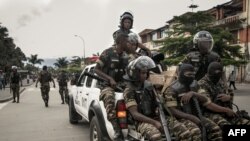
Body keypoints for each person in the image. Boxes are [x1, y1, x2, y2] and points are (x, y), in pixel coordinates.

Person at [162, 63, 223, 141]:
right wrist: (191, 117)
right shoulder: (172, 89)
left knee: (215, 129)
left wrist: (194, 93)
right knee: (195, 132)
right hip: (178, 118)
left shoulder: (195, 84)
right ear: (180, 73)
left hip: (195, 115)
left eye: (193, 74)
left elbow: (205, 99)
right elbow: (173, 110)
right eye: (188, 74)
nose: (191, 77)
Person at [94, 33, 131, 141]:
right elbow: (96, 69)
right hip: (106, 84)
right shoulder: (107, 53)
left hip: (122, 83)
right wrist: (109, 78)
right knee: (109, 98)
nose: (128, 44)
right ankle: (117, 130)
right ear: (120, 42)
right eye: (126, 41)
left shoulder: (126, 55)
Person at [198, 62, 250, 127]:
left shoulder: (219, 82)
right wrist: (226, 110)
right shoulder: (202, 84)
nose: (219, 75)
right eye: (217, 72)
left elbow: (229, 94)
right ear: (210, 71)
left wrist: (228, 97)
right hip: (209, 113)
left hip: (224, 111)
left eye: (220, 72)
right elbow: (208, 105)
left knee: (246, 122)